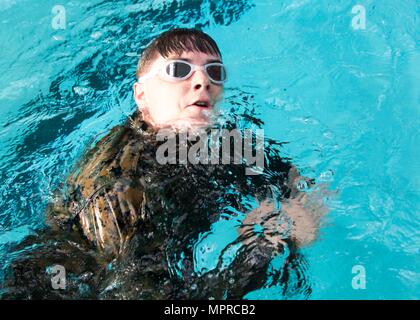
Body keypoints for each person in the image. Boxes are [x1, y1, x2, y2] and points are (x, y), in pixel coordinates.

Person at [2, 28, 327, 299]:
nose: (202, 81)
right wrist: (260, 249)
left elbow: (298, 188)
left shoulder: (223, 139)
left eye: (215, 71)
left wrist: (296, 213)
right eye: (178, 70)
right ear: (141, 96)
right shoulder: (125, 182)